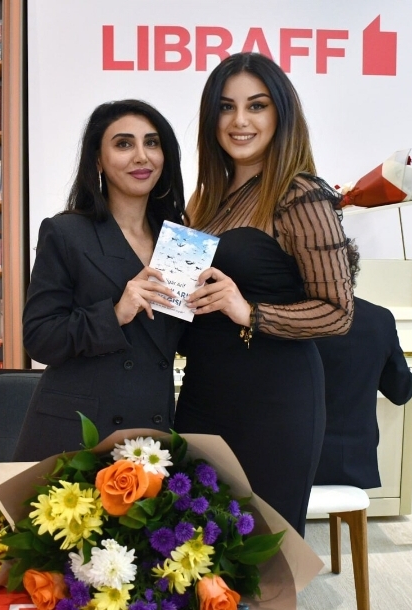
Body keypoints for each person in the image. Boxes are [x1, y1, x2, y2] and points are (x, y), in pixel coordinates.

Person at [174, 52, 354, 536]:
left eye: (256, 105)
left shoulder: (301, 195)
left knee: (260, 550)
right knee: (194, 545)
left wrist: (249, 311)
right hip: (203, 392)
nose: (240, 121)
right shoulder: (205, 199)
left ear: (281, 114)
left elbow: (338, 313)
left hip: (273, 403)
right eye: (226, 107)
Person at [13, 99, 186, 461]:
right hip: (78, 435)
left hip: (151, 433)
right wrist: (115, 313)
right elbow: (39, 338)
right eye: (124, 144)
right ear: (98, 160)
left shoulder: (178, 241)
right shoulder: (66, 232)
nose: (142, 156)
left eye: (152, 143)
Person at [313, 249, 412, 488]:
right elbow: (401, 392)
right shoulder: (380, 319)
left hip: (300, 463)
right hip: (355, 461)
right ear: (350, 271)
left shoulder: (290, 322)